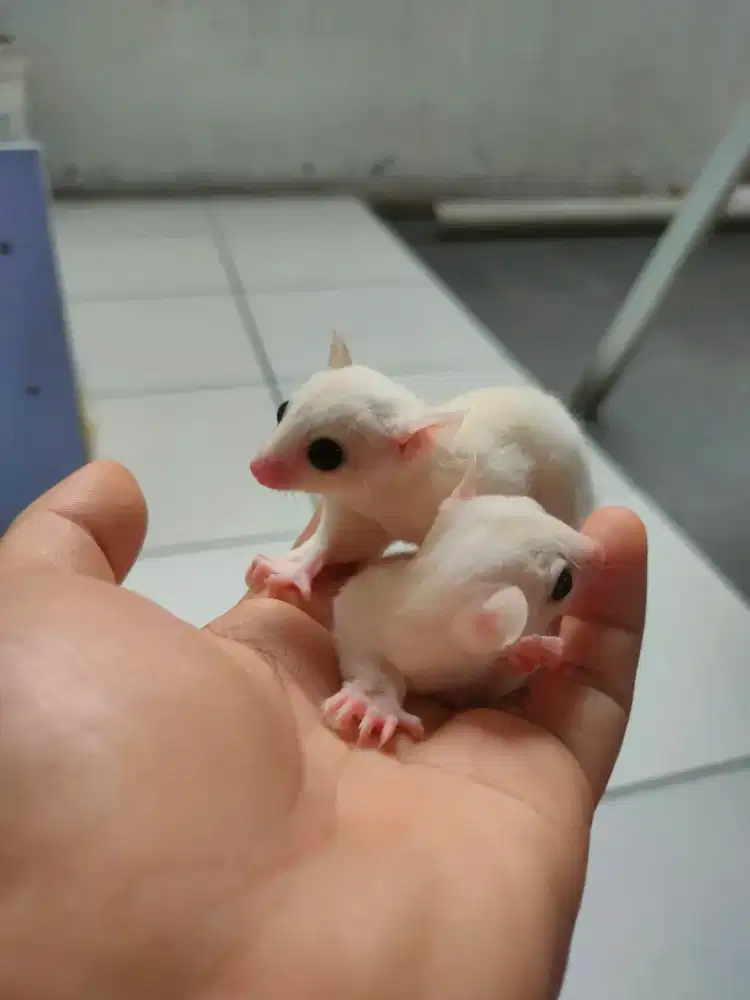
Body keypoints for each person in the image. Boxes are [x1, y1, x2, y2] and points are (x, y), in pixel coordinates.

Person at [0, 460, 646, 1000]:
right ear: (493, 621)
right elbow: (362, 611)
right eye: (563, 582)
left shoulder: (452, 614)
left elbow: (378, 613)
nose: (584, 559)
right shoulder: (402, 607)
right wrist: (377, 682)